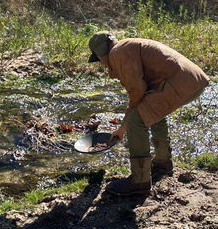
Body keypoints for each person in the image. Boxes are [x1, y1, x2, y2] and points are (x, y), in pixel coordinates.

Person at [88, 31, 209, 196]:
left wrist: (123, 128)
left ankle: (140, 181)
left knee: (136, 122)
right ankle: (162, 163)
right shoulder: (125, 46)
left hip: (179, 81)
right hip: (191, 78)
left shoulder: (117, 53)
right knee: (151, 113)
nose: (101, 63)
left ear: (102, 53)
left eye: (98, 58)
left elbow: (137, 92)